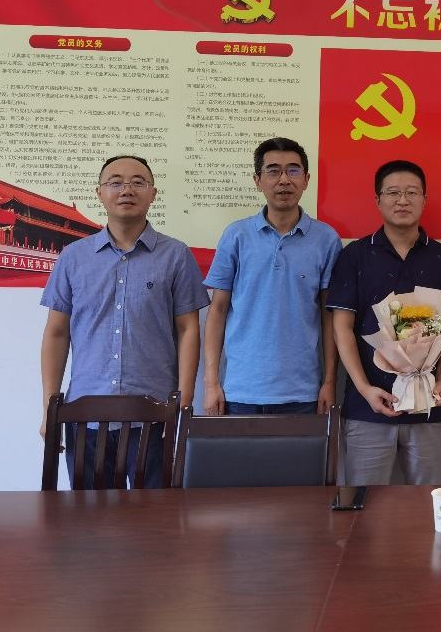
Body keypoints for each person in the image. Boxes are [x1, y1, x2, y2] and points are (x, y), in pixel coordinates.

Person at [39, 155, 210, 488]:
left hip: (155, 415)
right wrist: (50, 406)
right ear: (100, 192)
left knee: (155, 513)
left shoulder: (175, 255)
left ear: (153, 193)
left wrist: (184, 402)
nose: (126, 190)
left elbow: (188, 328)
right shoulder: (73, 257)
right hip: (84, 415)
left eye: (137, 182)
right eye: (115, 182)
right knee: (89, 514)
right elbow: (57, 333)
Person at [326, 160, 441, 484]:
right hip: (367, 408)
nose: (402, 200)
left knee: (430, 503)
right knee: (363, 504)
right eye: (393, 193)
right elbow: (342, 327)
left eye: (412, 193)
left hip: (428, 406)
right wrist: (364, 389)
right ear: (378, 200)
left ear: (424, 200)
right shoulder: (354, 256)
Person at [203, 137, 341, 415]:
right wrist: (211, 383)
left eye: (293, 170)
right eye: (273, 171)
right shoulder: (236, 236)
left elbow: (330, 317)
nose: (284, 180)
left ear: (306, 180)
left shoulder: (326, 239)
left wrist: (329, 382)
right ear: (258, 180)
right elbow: (217, 310)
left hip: (302, 393)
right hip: (240, 391)